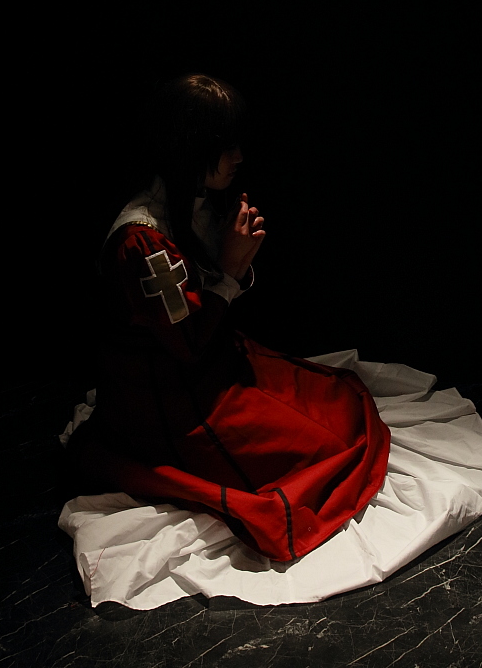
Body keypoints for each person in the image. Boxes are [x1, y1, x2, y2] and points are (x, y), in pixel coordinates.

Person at [65, 72, 391, 562]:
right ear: (189, 147)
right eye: (225, 145)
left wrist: (231, 261)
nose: (238, 156)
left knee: (338, 406)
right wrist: (231, 272)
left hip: (205, 368)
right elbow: (186, 344)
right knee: (324, 451)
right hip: (170, 398)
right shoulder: (142, 240)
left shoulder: (192, 205)